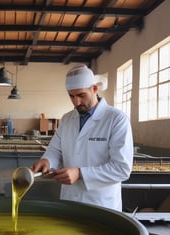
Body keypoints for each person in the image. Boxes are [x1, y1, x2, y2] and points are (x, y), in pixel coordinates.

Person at [31, 64, 133, 211]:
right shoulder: (67, 119)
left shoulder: (116, 119)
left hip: (101, 203)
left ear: (94, 89)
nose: (76, 102)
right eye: (71, 96)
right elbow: (55, 150)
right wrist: (47, 160)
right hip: (70, 199)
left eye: (81, 95)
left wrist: (80, 174)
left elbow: (121, 168)